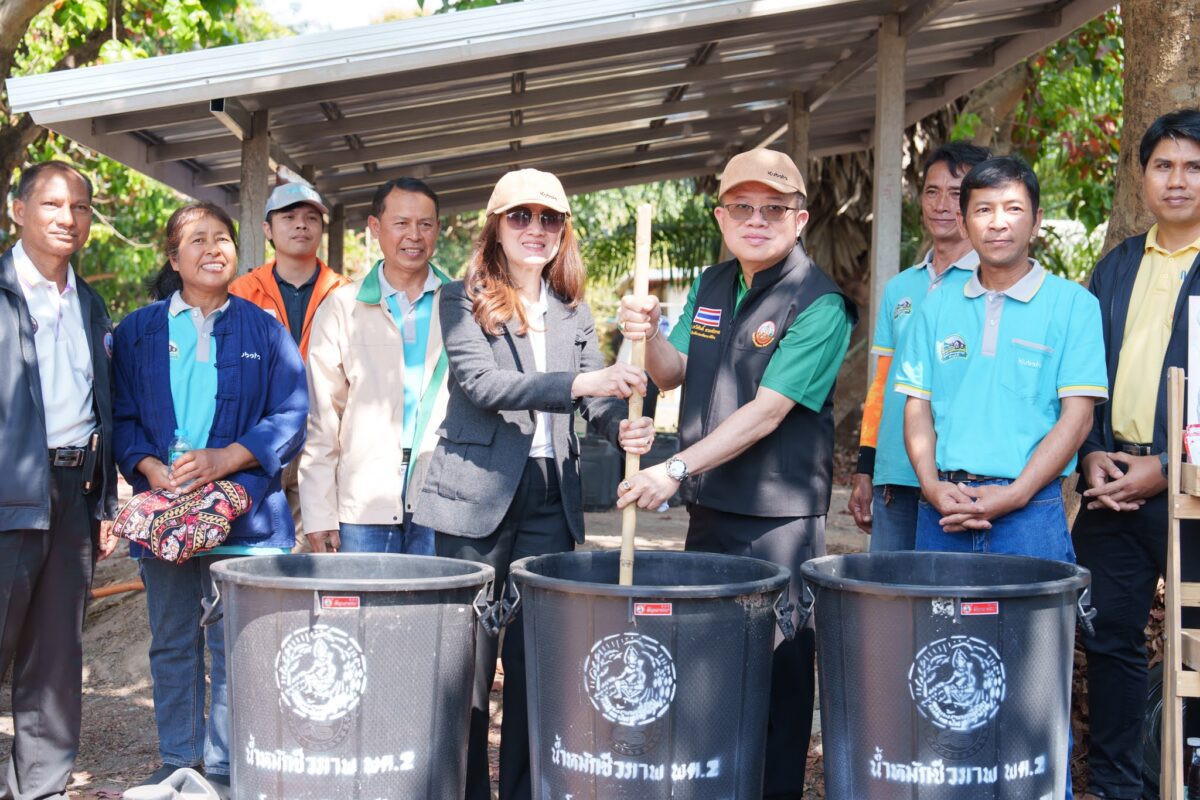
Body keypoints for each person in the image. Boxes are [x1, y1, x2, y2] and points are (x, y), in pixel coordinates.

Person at [617, 148, 856, 800]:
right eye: (742, 207)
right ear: (722, 216)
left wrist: (673, 466)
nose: (757, 220)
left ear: (800, 218)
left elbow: (768, 413)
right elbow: (673, 373)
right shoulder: (712, 284)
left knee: (774, 684)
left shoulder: (821, 304)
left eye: (773, 209)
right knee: (706, 675)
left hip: (775, 523)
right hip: (710, 511)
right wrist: (648, 332)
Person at [413, 168, 655, 800]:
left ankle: (524, 790)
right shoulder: (460, 297)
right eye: (520, 216)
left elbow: (602, 396)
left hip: (553, 497)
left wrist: (629, 423)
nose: (536, 229)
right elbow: (483, 385)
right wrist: (585, 387)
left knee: (535, 662)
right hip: (475, 500)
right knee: (465, 666)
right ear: (496, 225)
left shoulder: (572, 307)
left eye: (549, 219)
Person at [112, 202, 307, 793]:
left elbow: (293, 414)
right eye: (197, 240)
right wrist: (147, 464)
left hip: (243, 515)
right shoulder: (136, 332)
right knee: (172, 637)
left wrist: (227, 459)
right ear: (174, 258)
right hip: (165, 513)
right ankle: (178, 758)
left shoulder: (264, 328)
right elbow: (118, 416)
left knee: (233, 640)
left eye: (222, 237)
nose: (214, 248)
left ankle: (227, 764)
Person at [1073, 109, 1200, 800]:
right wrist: (1092, 455)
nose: (1176, 180)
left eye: (1192, 166)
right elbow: (1082, 374)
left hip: (1190, 487)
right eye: (1163, 165)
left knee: (1199, 647)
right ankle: (1121, 788)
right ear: (1142, 175)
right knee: (1107, 638)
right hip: (1111, 484)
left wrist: (1167, 468)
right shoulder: (1117, 264)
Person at [895, 155, 1107, 559]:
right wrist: (931, 486)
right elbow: (917, 406)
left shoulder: (1074, 305)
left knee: (1032, 625)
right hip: (945, 506)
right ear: (963, 222)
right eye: (983, 210)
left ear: (1037, 219)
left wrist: (1017, 493)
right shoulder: (937, 305)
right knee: (937, 623)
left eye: (1013, 209)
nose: (998, 222)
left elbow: (1078, 418)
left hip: (1031, 511)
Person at [0, 161, 119, 800]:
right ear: (18, 210)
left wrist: (102, 501)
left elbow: (99, 403)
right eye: (51, 203)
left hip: (73, 490)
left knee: (53, 653)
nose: (66, 217)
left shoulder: (90, 302)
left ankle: (38, 788)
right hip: (6, 490)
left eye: (79, 206)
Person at [847, 141, 990, 549]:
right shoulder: (900, 287)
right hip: (895, 476)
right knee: (889, 601)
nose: (942, 204)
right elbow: (881, 385)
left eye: (957, 193)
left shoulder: (991, 285)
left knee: (947, 604)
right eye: (932, 191)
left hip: (959, 477)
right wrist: (866, 468)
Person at [301, 177, 450, 556]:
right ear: (375, 228)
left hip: (443, 496)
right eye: (401, 223)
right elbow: (321, 418)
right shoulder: (342, 307)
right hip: (364, 499)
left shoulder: (461, 305)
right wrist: (319, 514)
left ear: (438, 230)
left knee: (438, 613)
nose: (414, 235)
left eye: (425, 224)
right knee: (365, 612)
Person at [229, 181, 347, 552]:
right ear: (267, 229)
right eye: (289, 217)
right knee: (259, 544)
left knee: (319, 545)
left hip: (325, 436)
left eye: (311, 218)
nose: (301, 225)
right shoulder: (241, 293)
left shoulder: (346, 294)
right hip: (263, 437)